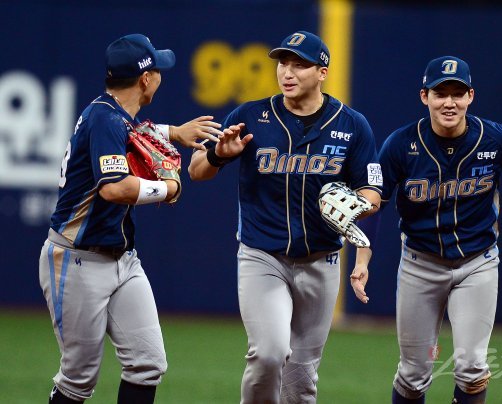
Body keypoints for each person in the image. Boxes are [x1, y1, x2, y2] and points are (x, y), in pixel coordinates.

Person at [350, 56, 502, 404]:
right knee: (413, 375)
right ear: (425, 97)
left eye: (457, 93)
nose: (449, 102)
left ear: (471, 96)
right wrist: (363, 259)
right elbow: (374, 203)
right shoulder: (399, 145)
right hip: (420, 266)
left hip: (477, 264)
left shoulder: (498, 139)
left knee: (471, 368)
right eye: (440, 93)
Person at [188, 30, 382, 403]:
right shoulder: (250, 116)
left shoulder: (352, 124)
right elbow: (196, 170)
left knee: (301, 383)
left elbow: (372, 188)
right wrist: (218, 155)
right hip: (263, 256)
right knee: (269, 353)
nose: (287, 72)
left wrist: (358, 202)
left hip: (321, 260)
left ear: (322, 72)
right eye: (283, 63)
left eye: (300, 65)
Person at [39, 33, 222, 403]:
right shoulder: (104, 119)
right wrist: (167, 189)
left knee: (147, 363)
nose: (160, 75)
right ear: (145, 79)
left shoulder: (112, 114)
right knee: (78, 379)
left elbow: (134, 132)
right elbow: (114, 188)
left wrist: (174, 132)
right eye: (158, 69)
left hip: (122, 260)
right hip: (76, 261)